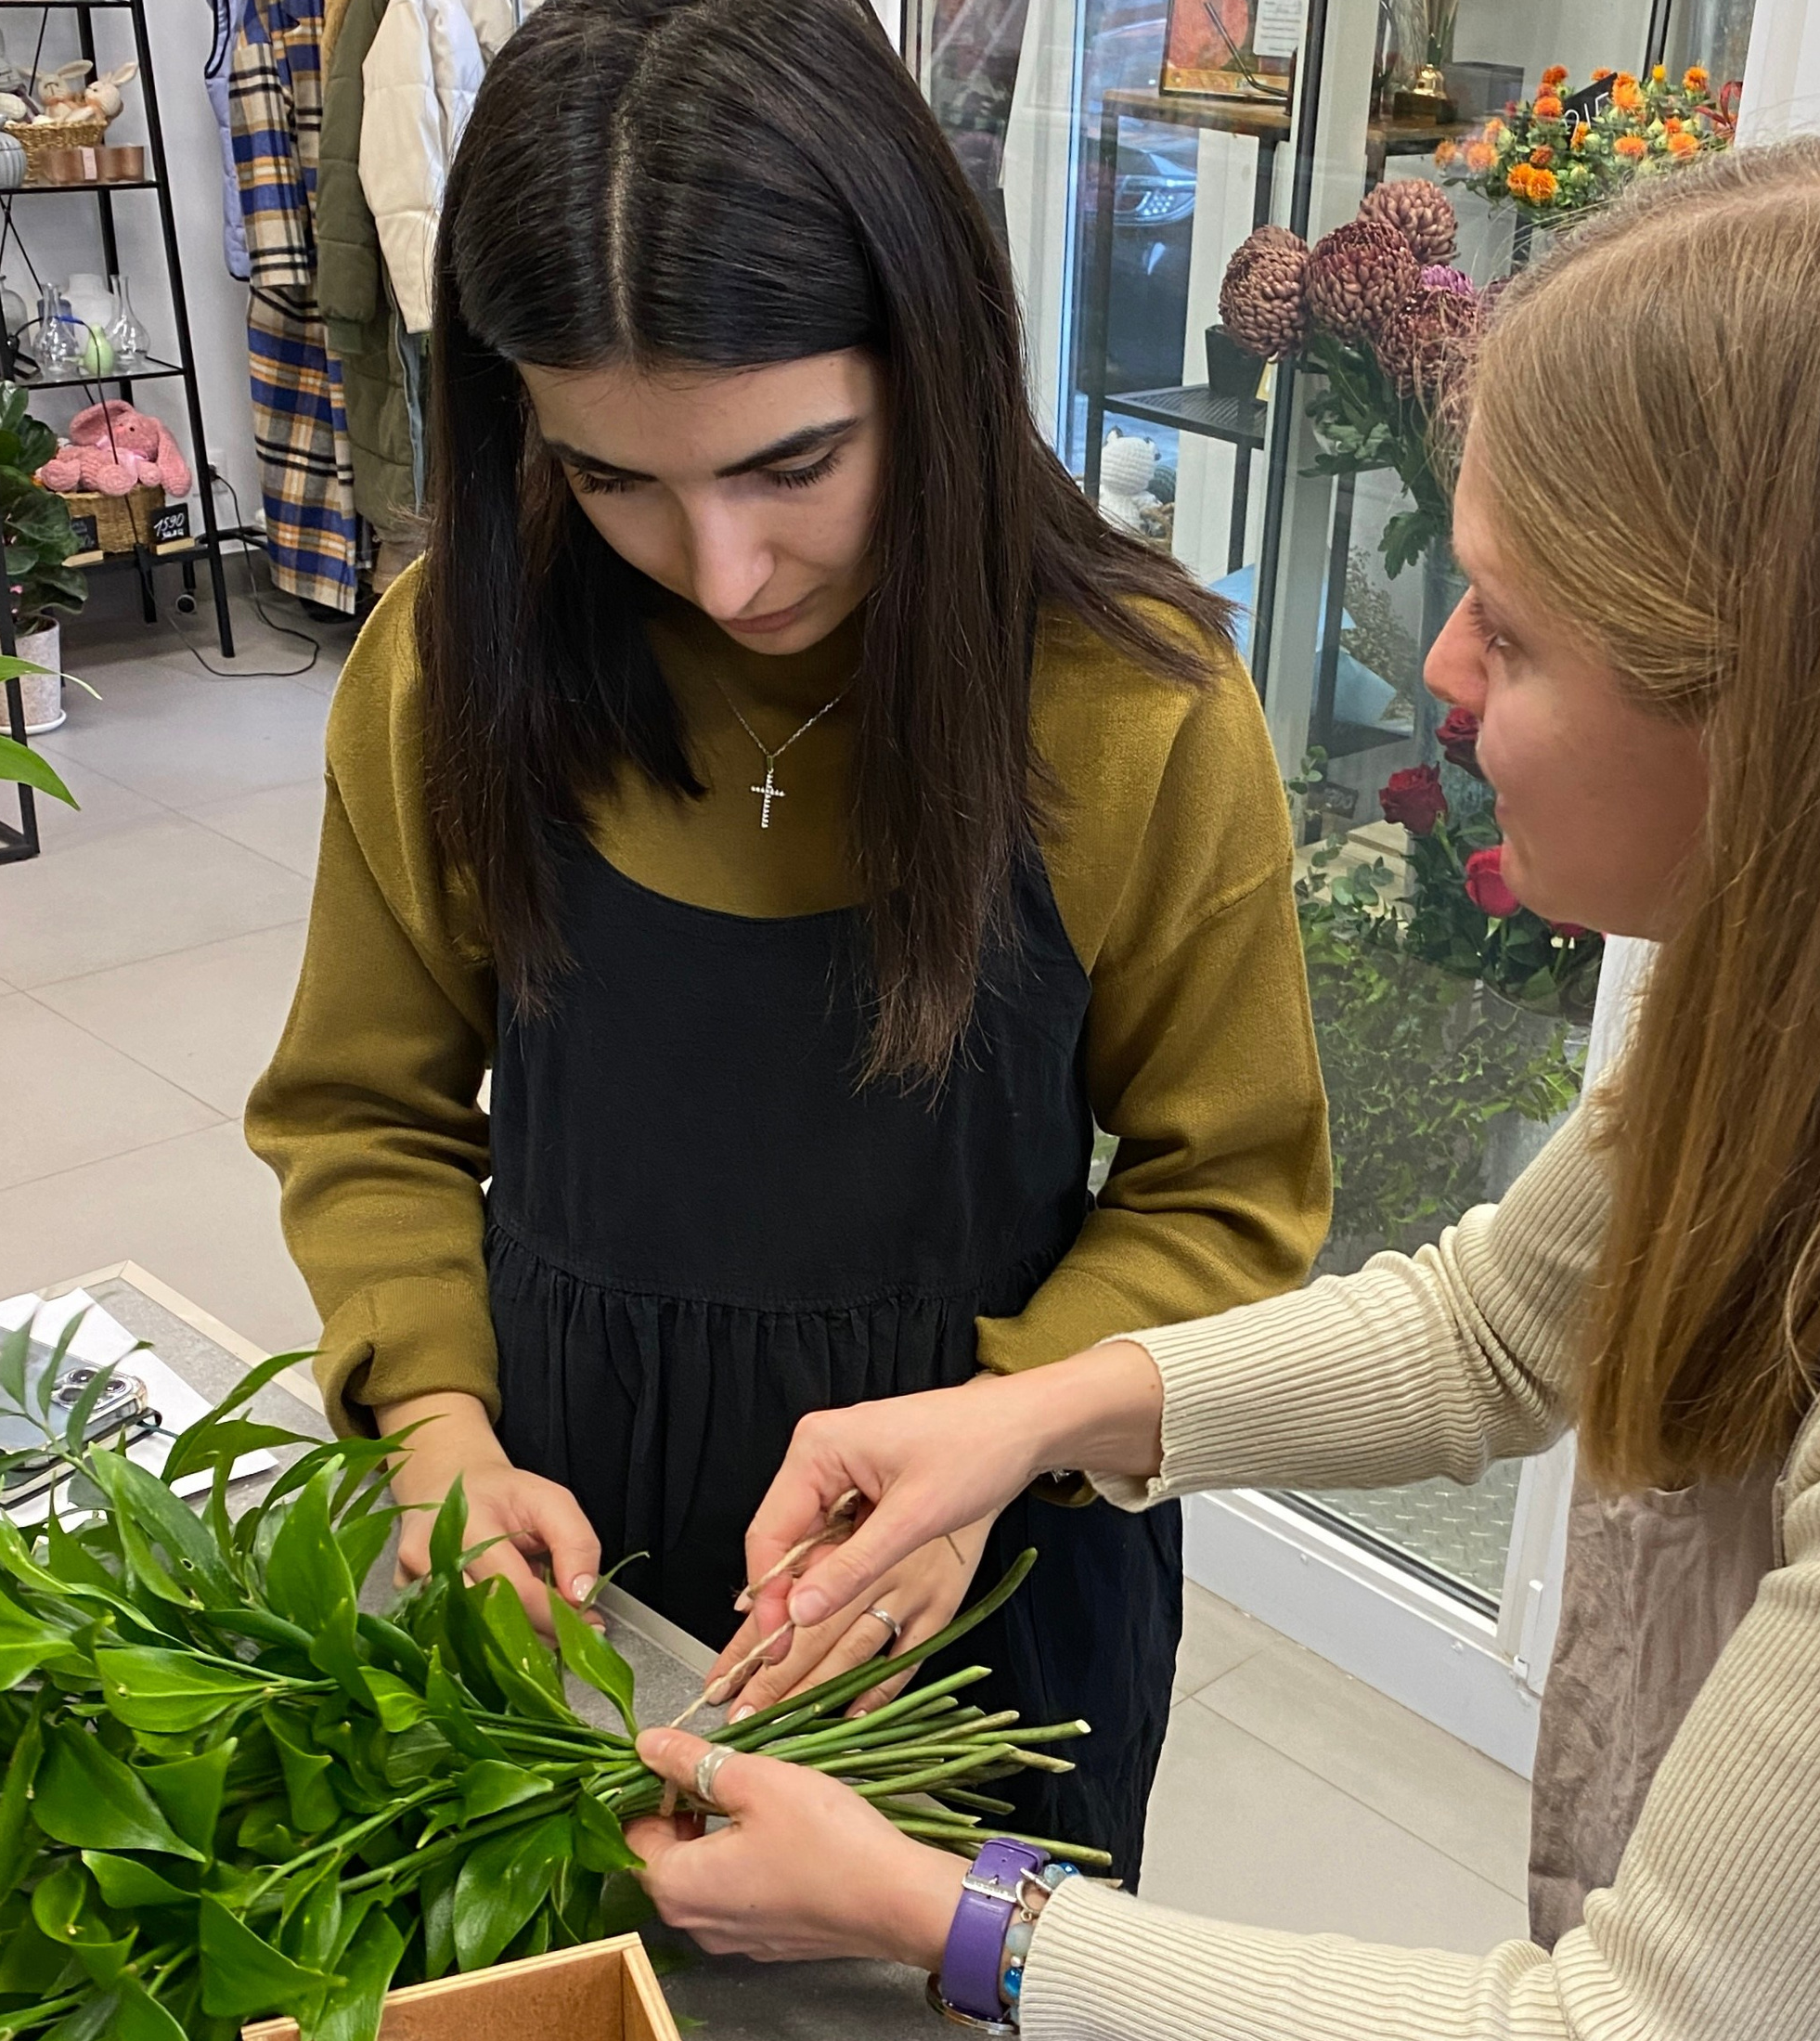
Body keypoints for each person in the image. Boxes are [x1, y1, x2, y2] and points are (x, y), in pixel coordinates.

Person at [617, 129, 1820, 2041]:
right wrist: (1034, 1414)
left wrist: (957, 1913)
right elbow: (1504, 1320)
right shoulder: (1818, 965)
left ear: (1798, 717)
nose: (1433, 661)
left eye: (1512, 623)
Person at [244, 0, 1332, 1885]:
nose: (721, 571)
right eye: (609, 477)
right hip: (559, 1509)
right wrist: (433, 1421)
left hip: (976, 1554)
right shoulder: (452, 667)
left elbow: (1227, 1188)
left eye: (788, 464)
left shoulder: (1127, 707)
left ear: (930, 356)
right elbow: (364, 1112)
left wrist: (992, 1444)